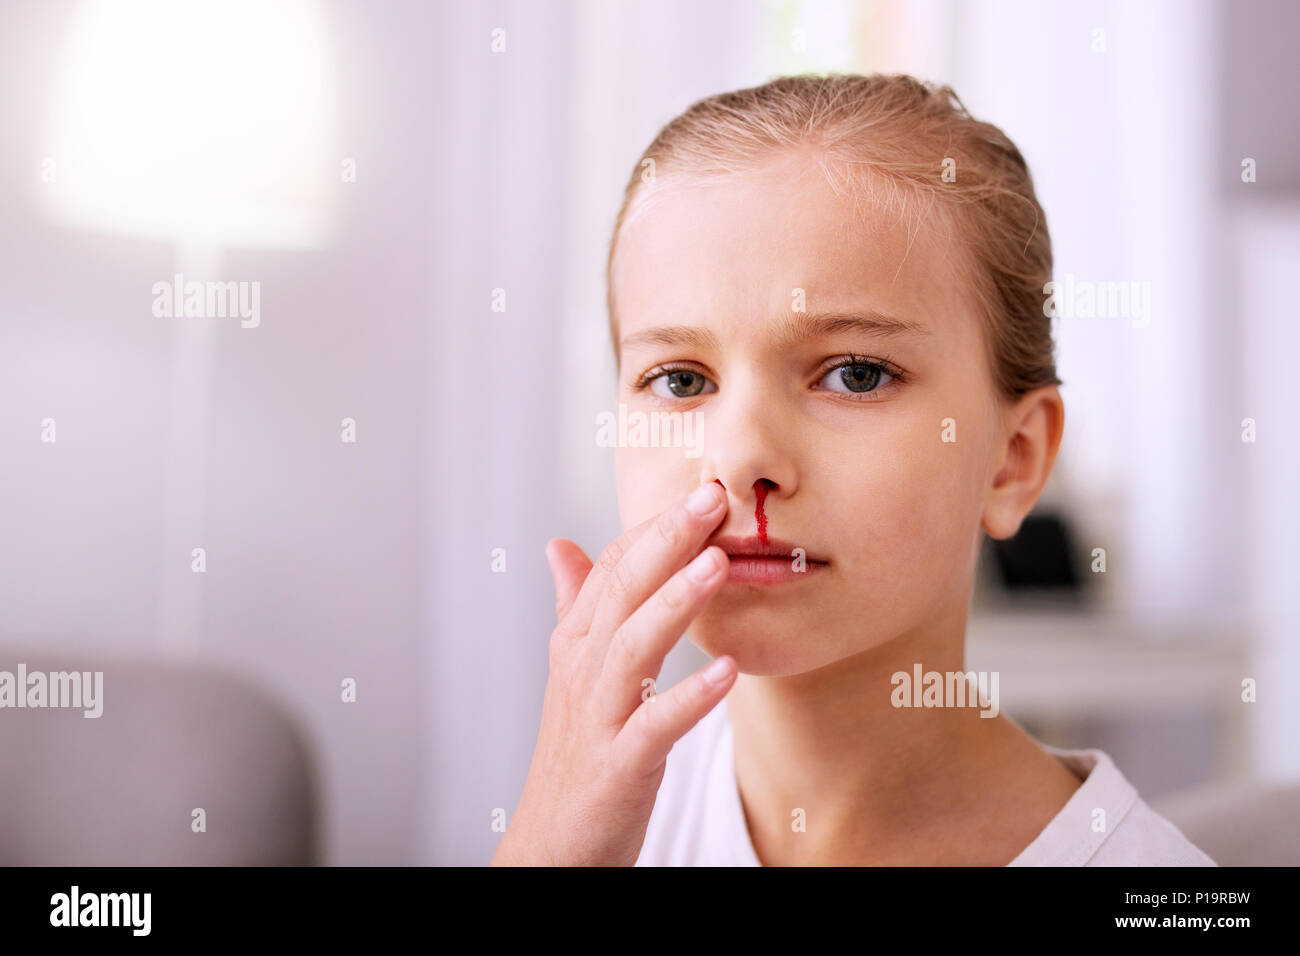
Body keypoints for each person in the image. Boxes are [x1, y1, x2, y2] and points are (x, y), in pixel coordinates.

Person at [491, 73, 1215, 867]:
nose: (740, 460)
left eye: (857, 374)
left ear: (1013, 460)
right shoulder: (584, 828)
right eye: (682, 380)